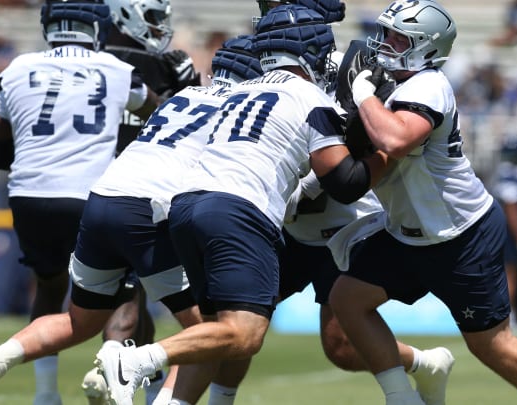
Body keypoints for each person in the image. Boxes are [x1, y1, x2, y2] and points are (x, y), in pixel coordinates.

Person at [92, 5, 390, 405]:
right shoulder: (307, 95)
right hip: (238, 210)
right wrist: (389, 154)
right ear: (309, 53)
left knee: (215, 330)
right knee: (244, 333)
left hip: (184, 207)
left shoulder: (232, 93)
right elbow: (346, 181)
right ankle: (135, 360)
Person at [163, 2, 454, 404]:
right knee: (228, 320)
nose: (274, 10)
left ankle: (420, 368)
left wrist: (310, 182)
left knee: (341, 347)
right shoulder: (263, 54)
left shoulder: (356, 62)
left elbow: (363, 148)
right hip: (290, 225)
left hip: (347, 220)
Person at [0, 25, 265, 405]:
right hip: (145, 211)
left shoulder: (186, 97)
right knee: (211, 333)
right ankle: (133, 367)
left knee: (79, 321)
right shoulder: (243, 108)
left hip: (103, 198)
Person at [325, 1, 517, 404]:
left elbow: (394, 139)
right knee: (347, 299)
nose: (385, 44)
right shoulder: (395, 83)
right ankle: (402, 397)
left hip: (459, 235)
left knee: (492, 346)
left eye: (398, 37)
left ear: (426, 48)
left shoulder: (428, 85)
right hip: (406, 235)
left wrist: (362, 94)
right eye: (386, 33)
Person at [0, 1, 158, 404]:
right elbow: (157, 112)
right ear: (97, 28)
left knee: (49, 284)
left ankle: (45, 393)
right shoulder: (114, 69)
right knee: (123, 292)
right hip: (90, 196)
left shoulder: (17, 69)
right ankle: (114, 383)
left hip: (28, 196)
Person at [80, 0, 202, 402]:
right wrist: (190, 85)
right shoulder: (154, 67)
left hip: (97, 195)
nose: (160, 28)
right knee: (194, 315)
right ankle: (119, 371)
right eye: (153, 18)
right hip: (145, 195)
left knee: (123, 297)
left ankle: (114, 368)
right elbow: (186, 121)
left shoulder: (95, 62)